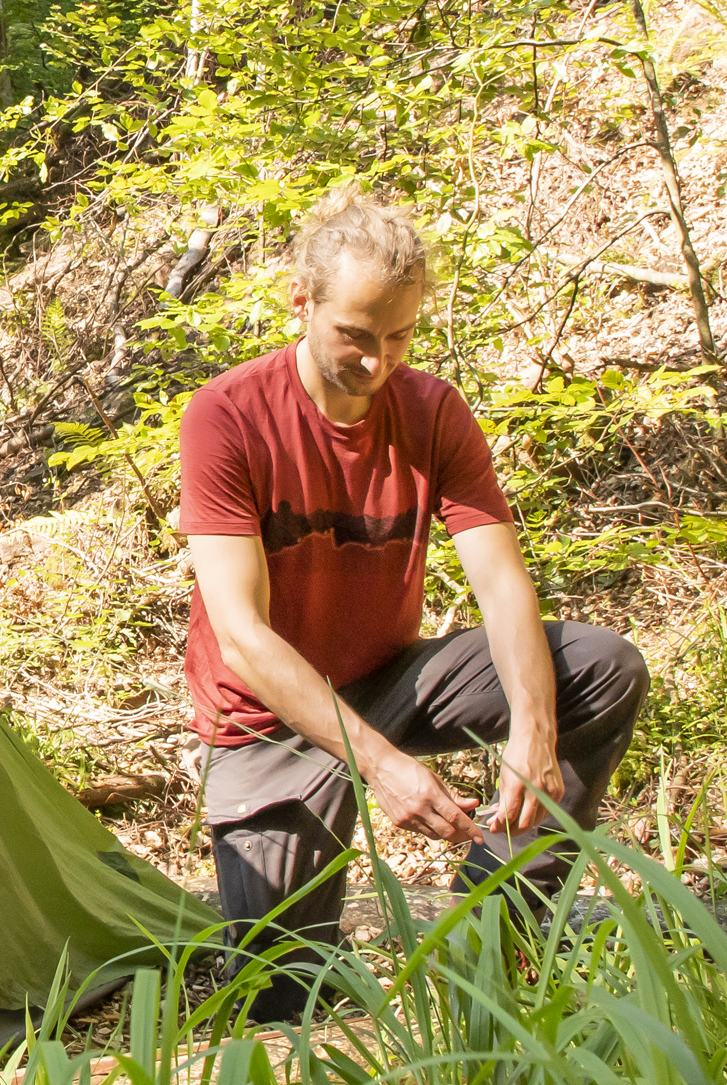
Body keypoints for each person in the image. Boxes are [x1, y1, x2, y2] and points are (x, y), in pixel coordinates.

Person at [177, 185, 647, 1014]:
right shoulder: (227, 416)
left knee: (596, 669)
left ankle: (490, 936)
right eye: (354, 336)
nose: (376, 361)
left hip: (390, 677)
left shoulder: (431, 411)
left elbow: (499, 582)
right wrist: (385, 772)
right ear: (302, 303)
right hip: (269, 720)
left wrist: (534, 734)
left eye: (398, 337)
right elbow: (243, 634)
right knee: (282, 994)